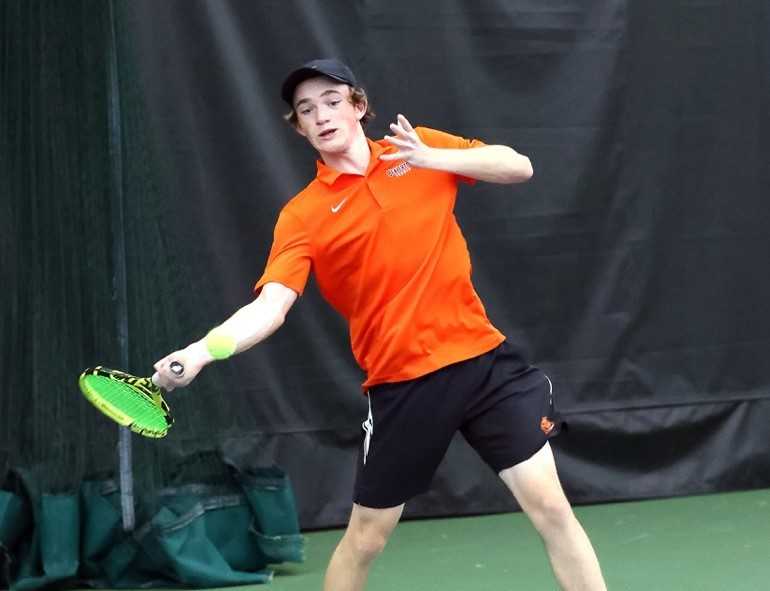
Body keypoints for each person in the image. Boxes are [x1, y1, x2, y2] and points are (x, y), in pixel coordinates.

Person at [153, 58, 607, 591]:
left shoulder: (419, 149)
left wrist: (432, 157)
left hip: (484, 365)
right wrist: (202, 351)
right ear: (299, 129)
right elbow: (271, 307)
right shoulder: (302, 216)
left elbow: (518, 166)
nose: (322, 115)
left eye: (332, 101)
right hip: (404, 385)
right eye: (306, 110)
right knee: (366, 539)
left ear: (359, 106)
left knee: (551, 507)